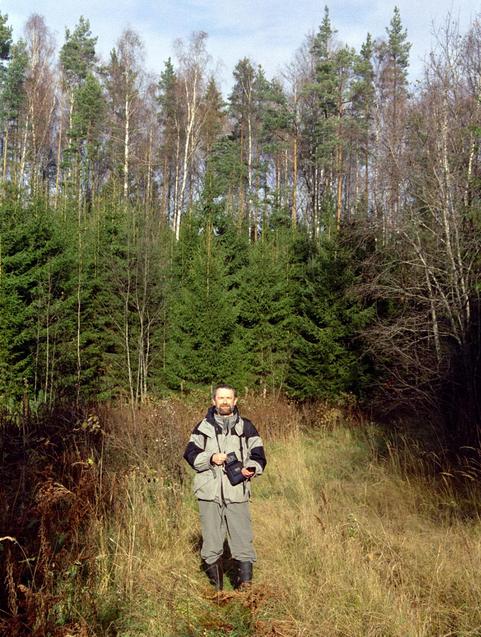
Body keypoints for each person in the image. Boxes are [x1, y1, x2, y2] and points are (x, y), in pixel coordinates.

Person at [183, 384, 266, 590]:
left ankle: (245, 586)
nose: (225, 402)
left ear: (235, 401)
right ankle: (218, 589)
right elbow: (190, 454)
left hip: (237, 491)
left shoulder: (246, 427)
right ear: (214, 401)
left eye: (229, 398)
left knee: (242, 538)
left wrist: (251, 469)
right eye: (221, 398)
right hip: (208, 493)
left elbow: (259, 456)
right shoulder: (202, 427)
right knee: (212, 540)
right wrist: (210, 457)